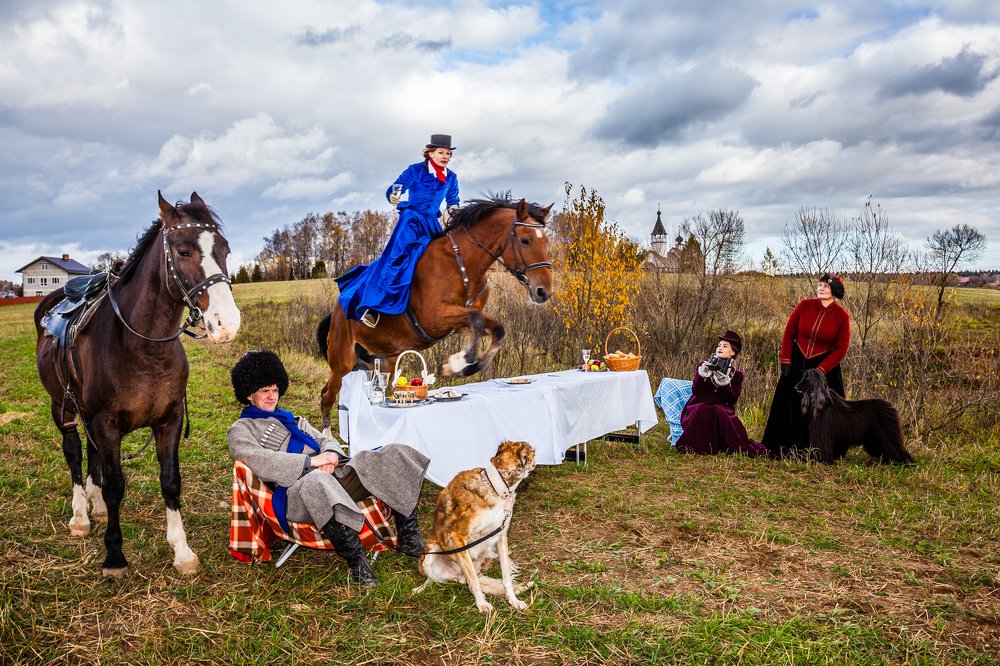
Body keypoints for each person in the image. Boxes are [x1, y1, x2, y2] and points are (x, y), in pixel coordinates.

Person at [227, 350, 430, 587]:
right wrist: (311, 463)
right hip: (297, 491)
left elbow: (324, 439)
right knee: (317, 482)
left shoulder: (293, 419)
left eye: (275, 390)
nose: (272, 397)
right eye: (265, 391)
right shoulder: (241, 429)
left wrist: (332, 455)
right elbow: (257, 459)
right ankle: (356, 560)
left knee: (396, 452)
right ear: (249, 395)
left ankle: (408, 537)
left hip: (333, 473)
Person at [336, 134, 461, 328]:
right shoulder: (416, 170)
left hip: (431, 225)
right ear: (430, 153)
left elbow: (453, 200)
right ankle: (371, 307)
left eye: (447, 153)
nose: (445, 156)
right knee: (397, 261)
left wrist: (455, 211)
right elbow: (395, 188)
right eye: (440, 152)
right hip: (411, 222)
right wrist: (394, 196)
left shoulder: (451, 177)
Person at [761, 273, 850, 458]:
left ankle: (816, 451)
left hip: (823, 368)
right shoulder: (804, 306)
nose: (821, 288)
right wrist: (785, 360)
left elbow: (841, 348)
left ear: (835, 291)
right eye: (819, 285)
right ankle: (781, 447)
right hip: (797, 361)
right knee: (789, 403)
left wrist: (820, 371)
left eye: (825, 286)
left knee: (820, 410)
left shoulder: (842, 316)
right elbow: (789, 333)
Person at [675, 330, 767, 457]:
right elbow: (696, 391)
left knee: (718, 410)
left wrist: (726, 385)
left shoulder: (737, 374)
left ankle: (721, 446)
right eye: (719, 345)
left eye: (725, 346)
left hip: (721, 408)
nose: (720, 348)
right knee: (704, 408)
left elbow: (732, 400)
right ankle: (697, 447)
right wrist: (702, 376)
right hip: (697, 405)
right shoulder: (703, 365)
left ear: (733, 352)